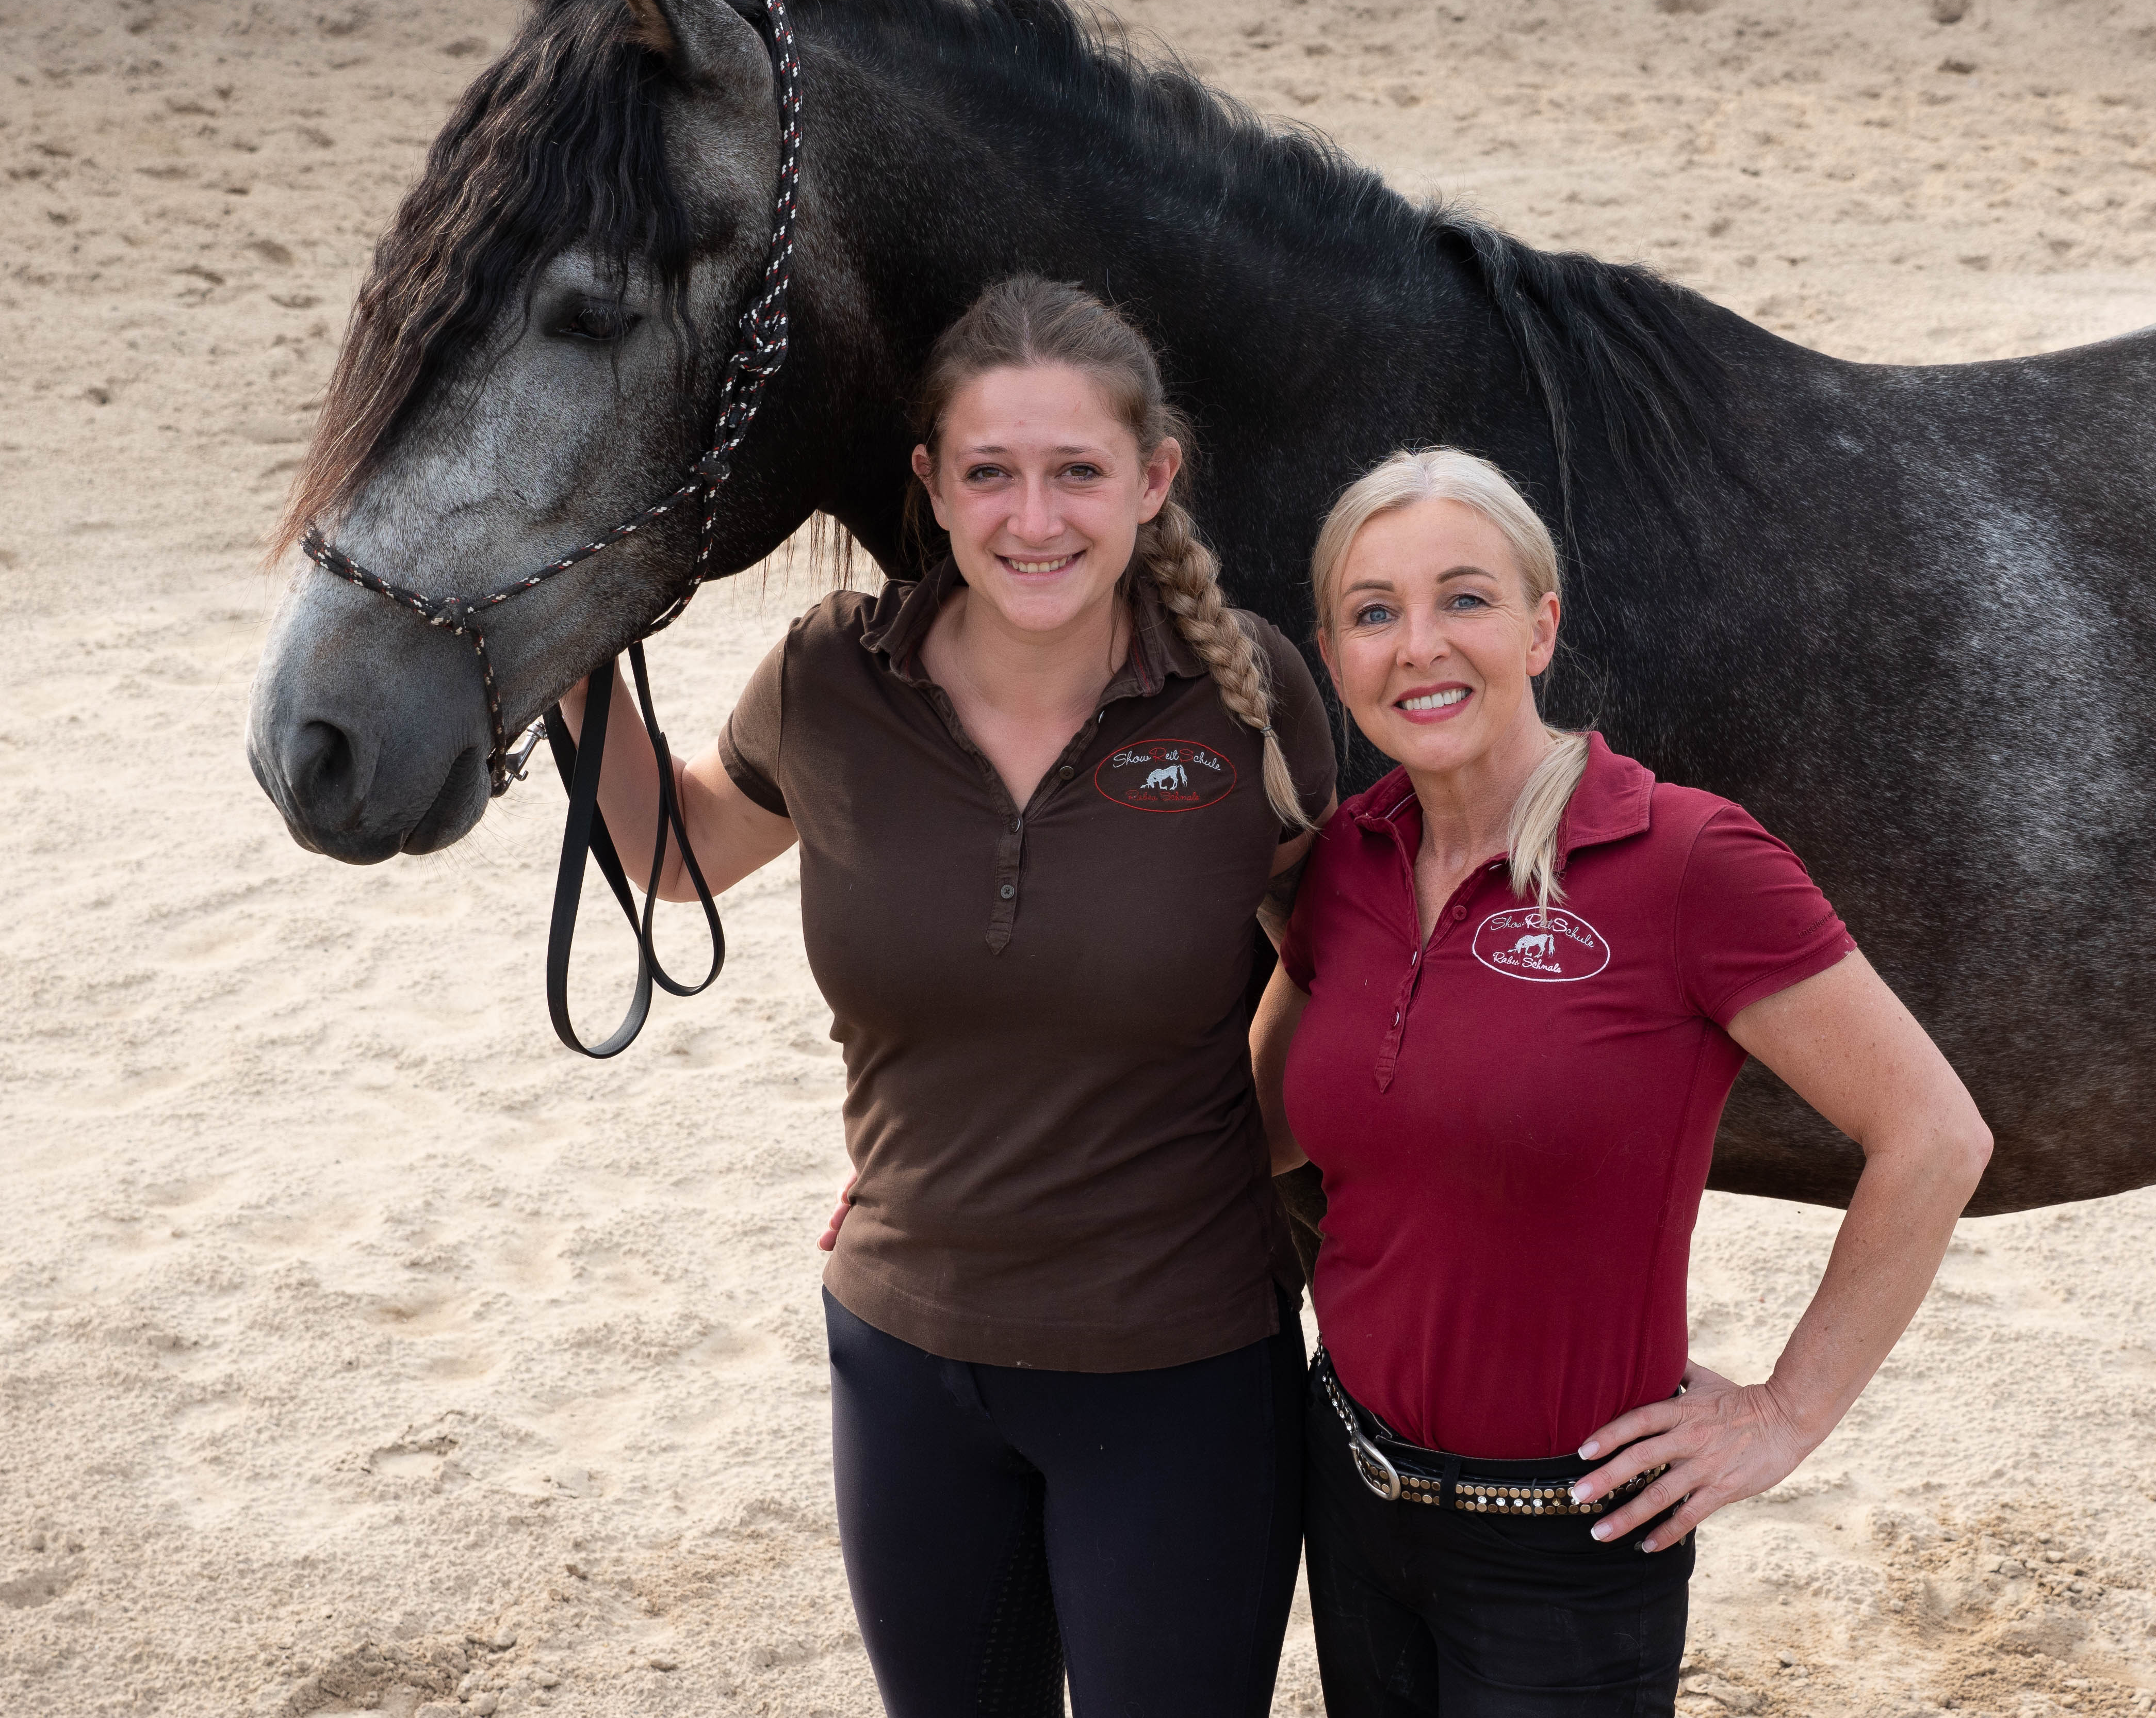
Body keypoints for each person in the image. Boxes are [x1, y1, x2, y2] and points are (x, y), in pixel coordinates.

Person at [557, 274, 1336, 1716]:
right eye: (989, 473)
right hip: (906, 1359)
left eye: (1076, 474)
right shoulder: (832, 683)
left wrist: (1243, 1145)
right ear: (931, 481)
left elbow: (1333, 951)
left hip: (1178, 1368)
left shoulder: (1247, 700)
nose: (1032, 519)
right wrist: (574, 652)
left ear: (1151, 479)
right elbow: (682, 849)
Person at [1250, 447, 1992, 1718]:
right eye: (1376, 612)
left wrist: (1786, 1411)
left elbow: (1934, 1135)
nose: (1420, 645)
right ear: (1334, 653)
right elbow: (1252, 1134)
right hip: (1351, 1498)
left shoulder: (1690, 860)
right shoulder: (1341, 869)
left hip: (1572, 1543)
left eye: (1465, 599)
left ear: (1541, 627)